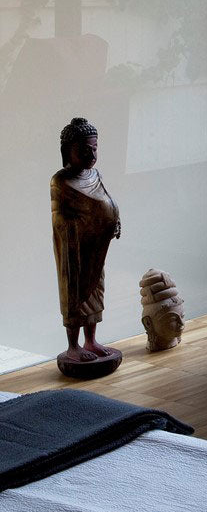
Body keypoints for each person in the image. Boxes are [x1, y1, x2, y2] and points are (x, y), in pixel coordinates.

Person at [51, 116, 121, 368]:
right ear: (67, 151)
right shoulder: (61, 181)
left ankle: (91, 340)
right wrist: (81, 227)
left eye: (94, 148)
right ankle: (73, 347)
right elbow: (60, 219)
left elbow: (106, 202)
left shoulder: (95, 175)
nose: (91, 154)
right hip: (74, 250)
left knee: (96, 289)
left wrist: (113, 220)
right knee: (74, 293)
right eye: (83, 150)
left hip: (95, 247)